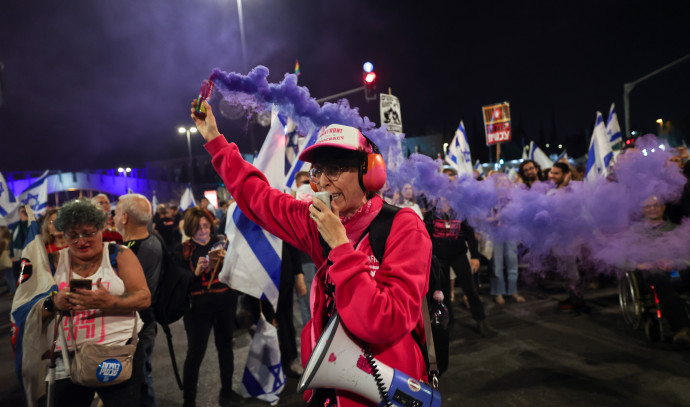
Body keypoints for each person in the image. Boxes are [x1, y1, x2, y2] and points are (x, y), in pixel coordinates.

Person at [191, 100, 432, 407]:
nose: (322, 181)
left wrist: (341, 248)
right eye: (318, 171)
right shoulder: (315, 220)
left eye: (334, 169)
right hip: (329, 387)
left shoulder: (403, 226)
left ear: (369, 174)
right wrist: (215, 139)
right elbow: (259, 197)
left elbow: (384, 322)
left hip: (383, 391)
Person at [44, 199, 151, 406]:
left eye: (88, 233)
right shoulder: (52, 262)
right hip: (66, 358)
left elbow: (144, 297)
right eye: (73, 235)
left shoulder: (119, 254)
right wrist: (54, 302)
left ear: (101, 228)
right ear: (63, 234)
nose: (81, 241)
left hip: (115, 352)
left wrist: (107, 301)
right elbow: (28, 310)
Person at [173, 207, 241, 407]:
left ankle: (227, 393)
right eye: (197, 227)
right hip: (197, 310)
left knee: (225, 348)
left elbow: (236, 270)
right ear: (189, 229)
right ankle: (189, 401)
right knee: (195, 354)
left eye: (206, 225)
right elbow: (178, 280)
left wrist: (226, 260)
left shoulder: (222, 242)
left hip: (225, 304)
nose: (203, 231)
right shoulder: (184, 249)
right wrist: (195, 272)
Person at [114, 194, 163, 407]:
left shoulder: (131, 249)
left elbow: (130, 291)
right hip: (145, 322)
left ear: (124, 218)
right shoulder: (152, 239)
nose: (113, 217)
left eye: (115, 212)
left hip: (138, 324)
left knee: (139, 380)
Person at [630, 196, 690, 345]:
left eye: (656, 205)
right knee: (658, 278)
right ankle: (682, 329)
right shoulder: (634, 232)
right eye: (648, 206)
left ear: (663, 208)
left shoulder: (676, 229)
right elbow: (619, 257)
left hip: (674, 272)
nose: (653, 209)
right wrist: (639, 265)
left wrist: (675, 263)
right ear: (642, 210)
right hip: (650, 275)